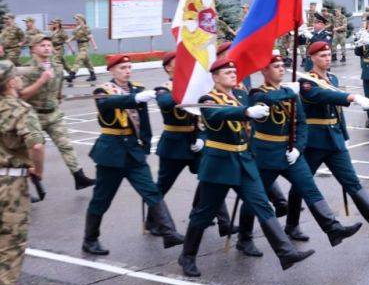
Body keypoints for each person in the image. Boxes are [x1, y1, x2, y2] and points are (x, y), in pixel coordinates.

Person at [177, 58, 315, 277]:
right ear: (214, 77)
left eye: (234, 71)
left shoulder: (240, 95)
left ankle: (285, 252)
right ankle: (187, 256)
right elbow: (216, 114)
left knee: (262, 206)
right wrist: (247, 113)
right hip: (219, 165)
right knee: (204, 213)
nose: (233, 74)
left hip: (244, 161)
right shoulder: (207, 99)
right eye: (227, 72)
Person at [235, 52, 362, 256]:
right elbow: (266, 100)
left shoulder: (289, 92)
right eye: (275, 66)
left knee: (309, 189)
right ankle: (245, 238)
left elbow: (302, 124)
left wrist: (298, 148)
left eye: (282, 65)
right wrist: (289, 93)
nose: (280, 68)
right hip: (266, 156)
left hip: (290, 153)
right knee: (255, 197)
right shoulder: (257, 93)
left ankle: (332, 228)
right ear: (264, 71)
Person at [83, 55, 184, 255]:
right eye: (122, 67)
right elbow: (106, 105)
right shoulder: (103, 90)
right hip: (111, 152)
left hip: (133, 151)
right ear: (111, 70)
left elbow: (143, 121)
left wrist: (145, 146)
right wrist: (134, 99)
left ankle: (168, 232)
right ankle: (90, 239)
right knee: (102, 198)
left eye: (129, 67)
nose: (127, 71)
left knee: (151, 191)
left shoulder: (137, 88)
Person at [284, 41, 369, 239]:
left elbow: (337, 112)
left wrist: (345, 135)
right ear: (311, 58)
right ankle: (292, 224)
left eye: (329, 54)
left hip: (334, 140)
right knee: (301, 184)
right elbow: (321, 95)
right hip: (314, 141)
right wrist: (352, 97)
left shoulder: (333, 78)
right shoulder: (306, 81)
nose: (327, 58)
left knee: (352, 181)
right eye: (322, 55)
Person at [152, 51, 233, 236]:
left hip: (195, 142)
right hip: (173, 146)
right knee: (162, 186)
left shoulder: (193, 87)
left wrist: (202, 137)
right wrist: (186, 88)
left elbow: (204, 116)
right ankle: (153, 221)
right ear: (168, 67)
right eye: (177, 62)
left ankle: (223, 222)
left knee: (210, 178)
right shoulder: (164, 88)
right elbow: (165, 103)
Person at [18, 32, 95, 189]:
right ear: (33, 49)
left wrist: (57, 99)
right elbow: (22, 95)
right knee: (34, 147)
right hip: (33, 114)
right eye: (42, 45)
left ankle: (79, 177)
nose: (47, 48)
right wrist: (41, 80)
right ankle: (28, 182)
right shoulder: (26, 70)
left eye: (49, 45)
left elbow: (59, 90)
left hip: (53, 113)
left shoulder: (57, 67)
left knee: (66, 144)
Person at [0, 60, 46, 285]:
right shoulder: (20, 109)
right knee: (10, 242)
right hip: (10, 184)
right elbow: (36, 145)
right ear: (11, 83)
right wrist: (37, 169)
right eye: (16, 76)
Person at [69, 14, 98, 83]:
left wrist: (95, 46)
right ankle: (93, 75)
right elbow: (74, 37)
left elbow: (90, 37)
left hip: (85, 45)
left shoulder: (85, 27)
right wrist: (69, 40)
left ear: (81, 19)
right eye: (75, 20)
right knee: (86, 61)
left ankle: (72, 74)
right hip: (79, 45)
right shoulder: (77, 28)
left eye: (77, 19)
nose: (76, 21)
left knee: (79, 58)